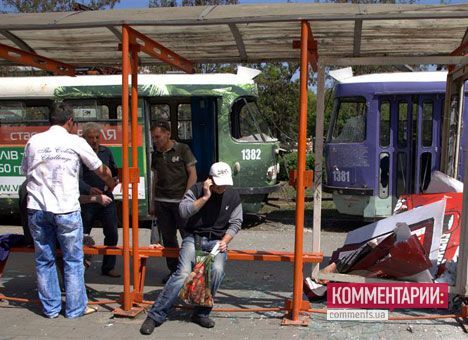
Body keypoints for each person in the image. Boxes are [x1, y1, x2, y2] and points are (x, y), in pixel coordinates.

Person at [21, 103, 116, 319]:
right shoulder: (75, 141)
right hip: (66, 209)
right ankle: (75, 309)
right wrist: (110, 182)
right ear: (70, 122)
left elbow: (26, 171)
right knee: (72, 260)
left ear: (50, 121)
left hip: (37, 209)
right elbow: (99, 169)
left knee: (44, 259)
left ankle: (51, 309)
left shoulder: (34, 141)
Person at [140, 162, 242, 335]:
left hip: (217, 241)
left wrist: (225, 240)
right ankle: (156, 315)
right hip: (193, 238)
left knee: (217, 270)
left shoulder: (232, 196)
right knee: (182, 274)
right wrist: (205, 197)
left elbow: (236, 222)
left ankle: (201, 312)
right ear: (210, 180)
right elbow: (183, 211)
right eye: (219, 183)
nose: (223, 187)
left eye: (225, 183)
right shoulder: (195, 190)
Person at [150, 120, 197, 282]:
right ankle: (175, 271)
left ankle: (192, 271)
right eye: (153, 138)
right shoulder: (155, 154)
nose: (155, 140)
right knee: (169, 239)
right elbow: (155, 178)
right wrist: (152, 202)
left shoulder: (182, 149)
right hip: (162, 202)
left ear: (168, 134)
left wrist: (187, 197)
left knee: (188, 237)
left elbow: (193, 174)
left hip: (180, 202)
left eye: (158, 137)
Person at [79, 122, 120, 278]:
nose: (94, 141)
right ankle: (81, 267)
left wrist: (114, 182)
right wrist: (88, 189)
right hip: (88, 200)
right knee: (83, 234)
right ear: (84, 138)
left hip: (106, 198)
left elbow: (114, 172)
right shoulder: (81, 154)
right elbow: (76, 178)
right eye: (91, 137)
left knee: (112, 233)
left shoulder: (106, 152)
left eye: (97, 137)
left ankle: (108, 267)